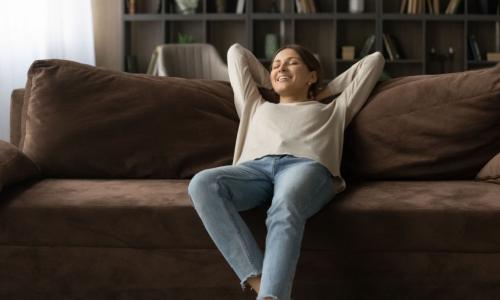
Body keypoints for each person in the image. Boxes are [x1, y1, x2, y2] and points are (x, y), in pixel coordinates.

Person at [188, 43, 385, 300]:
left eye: (292, 62)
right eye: (275, 64)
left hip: (305, 166)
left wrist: (324, 89)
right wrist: (275, 79)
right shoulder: (253, 104)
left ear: (312, 75)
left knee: (285, 204)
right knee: (202, 183)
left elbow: (376, 60)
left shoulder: (334, 109)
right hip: (253, 170)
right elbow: (236, 52)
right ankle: (264, 287)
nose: (281, 66)